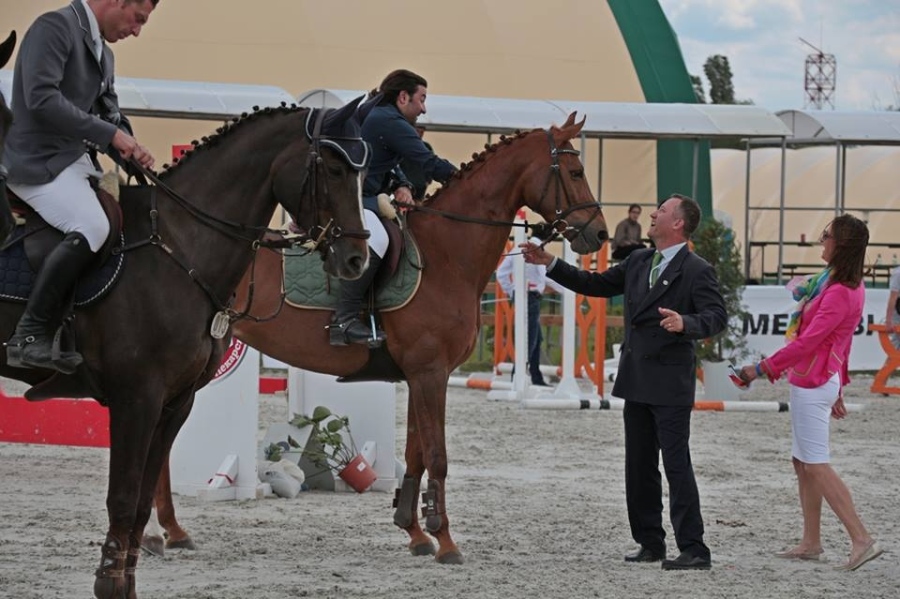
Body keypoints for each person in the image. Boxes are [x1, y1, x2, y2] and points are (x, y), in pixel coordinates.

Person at [523, 194, 727, 571]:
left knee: (676, 465)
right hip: (637, 379)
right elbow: (594, 283)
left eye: (661, 211)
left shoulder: (697, 269)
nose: (652, 214)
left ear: (678, 223)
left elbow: (716, 315)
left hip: (670, 382)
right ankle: (650, 541)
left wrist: (686, 323)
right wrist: (549, 262)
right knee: (639, 465)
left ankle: (694, 547)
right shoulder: (638, 260)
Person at [3, 0, 158, 373]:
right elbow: (41, 98)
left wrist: (130, 149)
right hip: (36, 163)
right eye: (138, 19)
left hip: (75, 163)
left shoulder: (104, 54)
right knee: (92, 225)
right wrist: (111, 136)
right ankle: (29, 334)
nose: (137, 31)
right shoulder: (53, 28)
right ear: (117, 1)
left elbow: (110, 115)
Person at [738, 215, 882, 572]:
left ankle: (861, 538)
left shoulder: (839, 291)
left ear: (840, 244)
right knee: (803, 462)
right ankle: (811, 542)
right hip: (817, 380)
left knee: (815, 464)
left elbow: (808, 343)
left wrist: (761, 368)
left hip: (814, 381)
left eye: (826, 235)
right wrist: (840, 386)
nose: (821, 240)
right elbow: (841, 343)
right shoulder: (832, 282)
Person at [328, 69, 457, 347]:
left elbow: (385, 161)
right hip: (350, 199)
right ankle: (343, 320)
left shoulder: (382, 116)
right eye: (422, 99)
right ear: (403, 97)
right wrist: (465, 180)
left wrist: (403, 184)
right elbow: (429, 163)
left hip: (359, 195)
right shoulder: (389, 121)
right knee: (379, 238)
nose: (424, 109)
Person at [495, 224, 565, 386]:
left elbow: (502, 273)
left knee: (536, 338)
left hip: (524, 295)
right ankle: (517, 376)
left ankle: (535, 376)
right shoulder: (537, 250)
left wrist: (511, 291)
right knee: (530, 339)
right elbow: (544, 276)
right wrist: (567, 289)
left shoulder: (519, 247)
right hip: (531, 296)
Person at [886, 264, 900, 348]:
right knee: (896, 345)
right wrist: (888, 321)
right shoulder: (898, 273)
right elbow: (893, 298)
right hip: (898, 315)